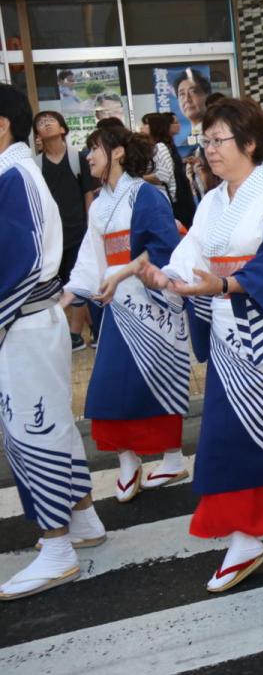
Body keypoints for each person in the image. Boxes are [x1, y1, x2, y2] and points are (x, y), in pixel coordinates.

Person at [136, 98, 263, 592]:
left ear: (249, 143)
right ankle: (245, 536)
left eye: (217, 140)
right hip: (230, 328)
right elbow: (192, 252)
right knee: (229, 435)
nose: (208, 151)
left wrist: (222, 287)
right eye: (204, 142)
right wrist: (166, 277)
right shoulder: (212, 200)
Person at [0, 85, 106, 600]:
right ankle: (81, 520)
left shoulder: (13, 175)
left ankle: (56, 545)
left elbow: (19, 261)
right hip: (33, 320)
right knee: (52, 424)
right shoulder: (20, 172)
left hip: (21, 321)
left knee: (30, 432)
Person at [63, 124, 191, 502]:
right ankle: (127, 458)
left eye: (94, 148)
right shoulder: (101, 202)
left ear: (118, 152)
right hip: (116, 302)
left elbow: (167, 246)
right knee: (109, 385)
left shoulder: (146, 195)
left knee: (155, 379)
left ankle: (171, 457)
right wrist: (71, 291)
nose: (88, 156)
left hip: (148, 299)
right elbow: (91, 253)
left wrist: (127, 269)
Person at [33, 110, 97, 351]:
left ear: (62, 128)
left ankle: (75, 334)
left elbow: (87, 193)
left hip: (79, 230)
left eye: (51, 121)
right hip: (53, 236)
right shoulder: (36, 164)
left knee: (77, 281)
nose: (46, 124)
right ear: (37, 133)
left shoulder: (77, 158)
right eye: (41, 123)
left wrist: (90, 226)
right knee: (59, 284)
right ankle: (90, 330)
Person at [145, 113, 195, 228]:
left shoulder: (161, 146)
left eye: (146, 124)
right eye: (175, 122)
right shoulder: (163, 145)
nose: (142, 127)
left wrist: (139, 178)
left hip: (178, 198)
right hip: (179, 197)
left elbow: (164, 175)